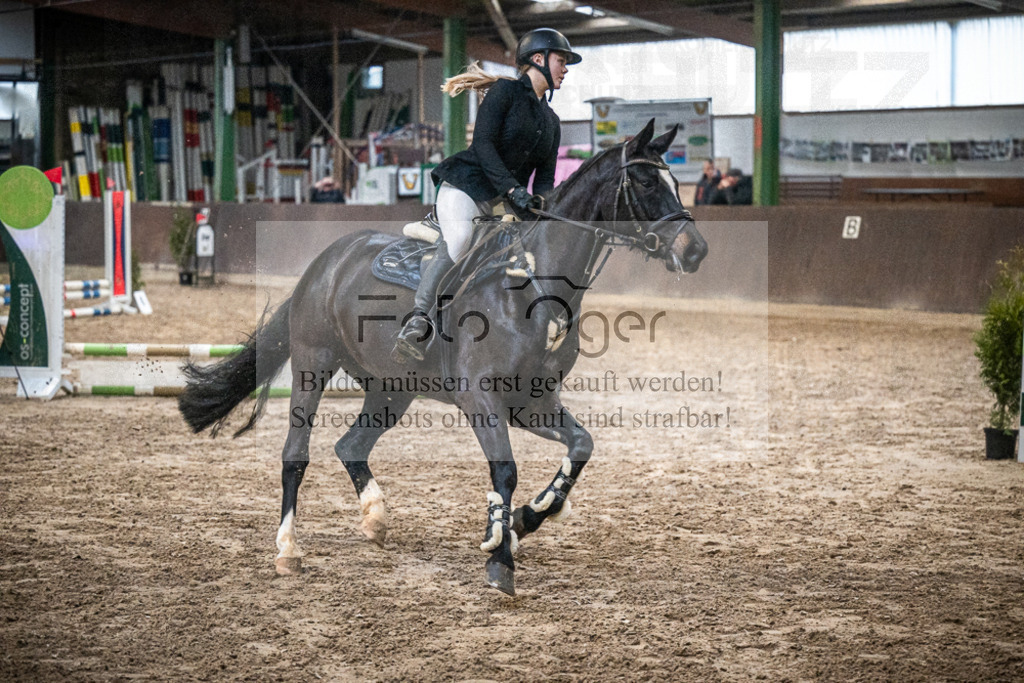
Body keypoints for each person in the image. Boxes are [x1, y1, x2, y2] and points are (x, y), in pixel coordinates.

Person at [392, 28, 582, 363]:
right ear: (538, 59)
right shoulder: (505, 92)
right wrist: (512, 189)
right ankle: (418, 320)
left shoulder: (551, 121)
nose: (564, 68)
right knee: (461, 237)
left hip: (506, 203)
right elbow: (483, 144)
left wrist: (543, 210)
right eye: (560, 60)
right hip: (467, 187)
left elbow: (546, 179)